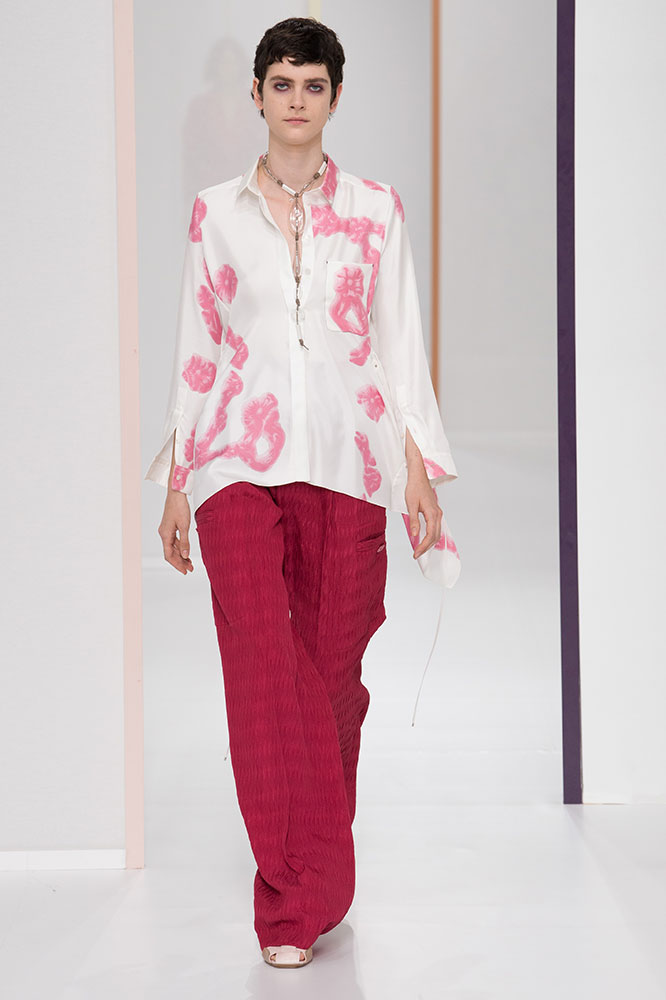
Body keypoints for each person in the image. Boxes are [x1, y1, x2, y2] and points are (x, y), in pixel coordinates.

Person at [144, 16, 461, 970]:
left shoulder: (376, 209)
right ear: (256, 96)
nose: (295, 100)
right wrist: (178, 477)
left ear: (333, 97)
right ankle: (289, 904)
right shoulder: (214, 213)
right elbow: (198, 350)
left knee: (329, 681)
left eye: (311, 85)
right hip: (232, 465)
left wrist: (417, 464)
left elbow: (398, 340)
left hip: (348, 462)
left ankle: (319, 874)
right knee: (259, 668)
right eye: (280, 84)